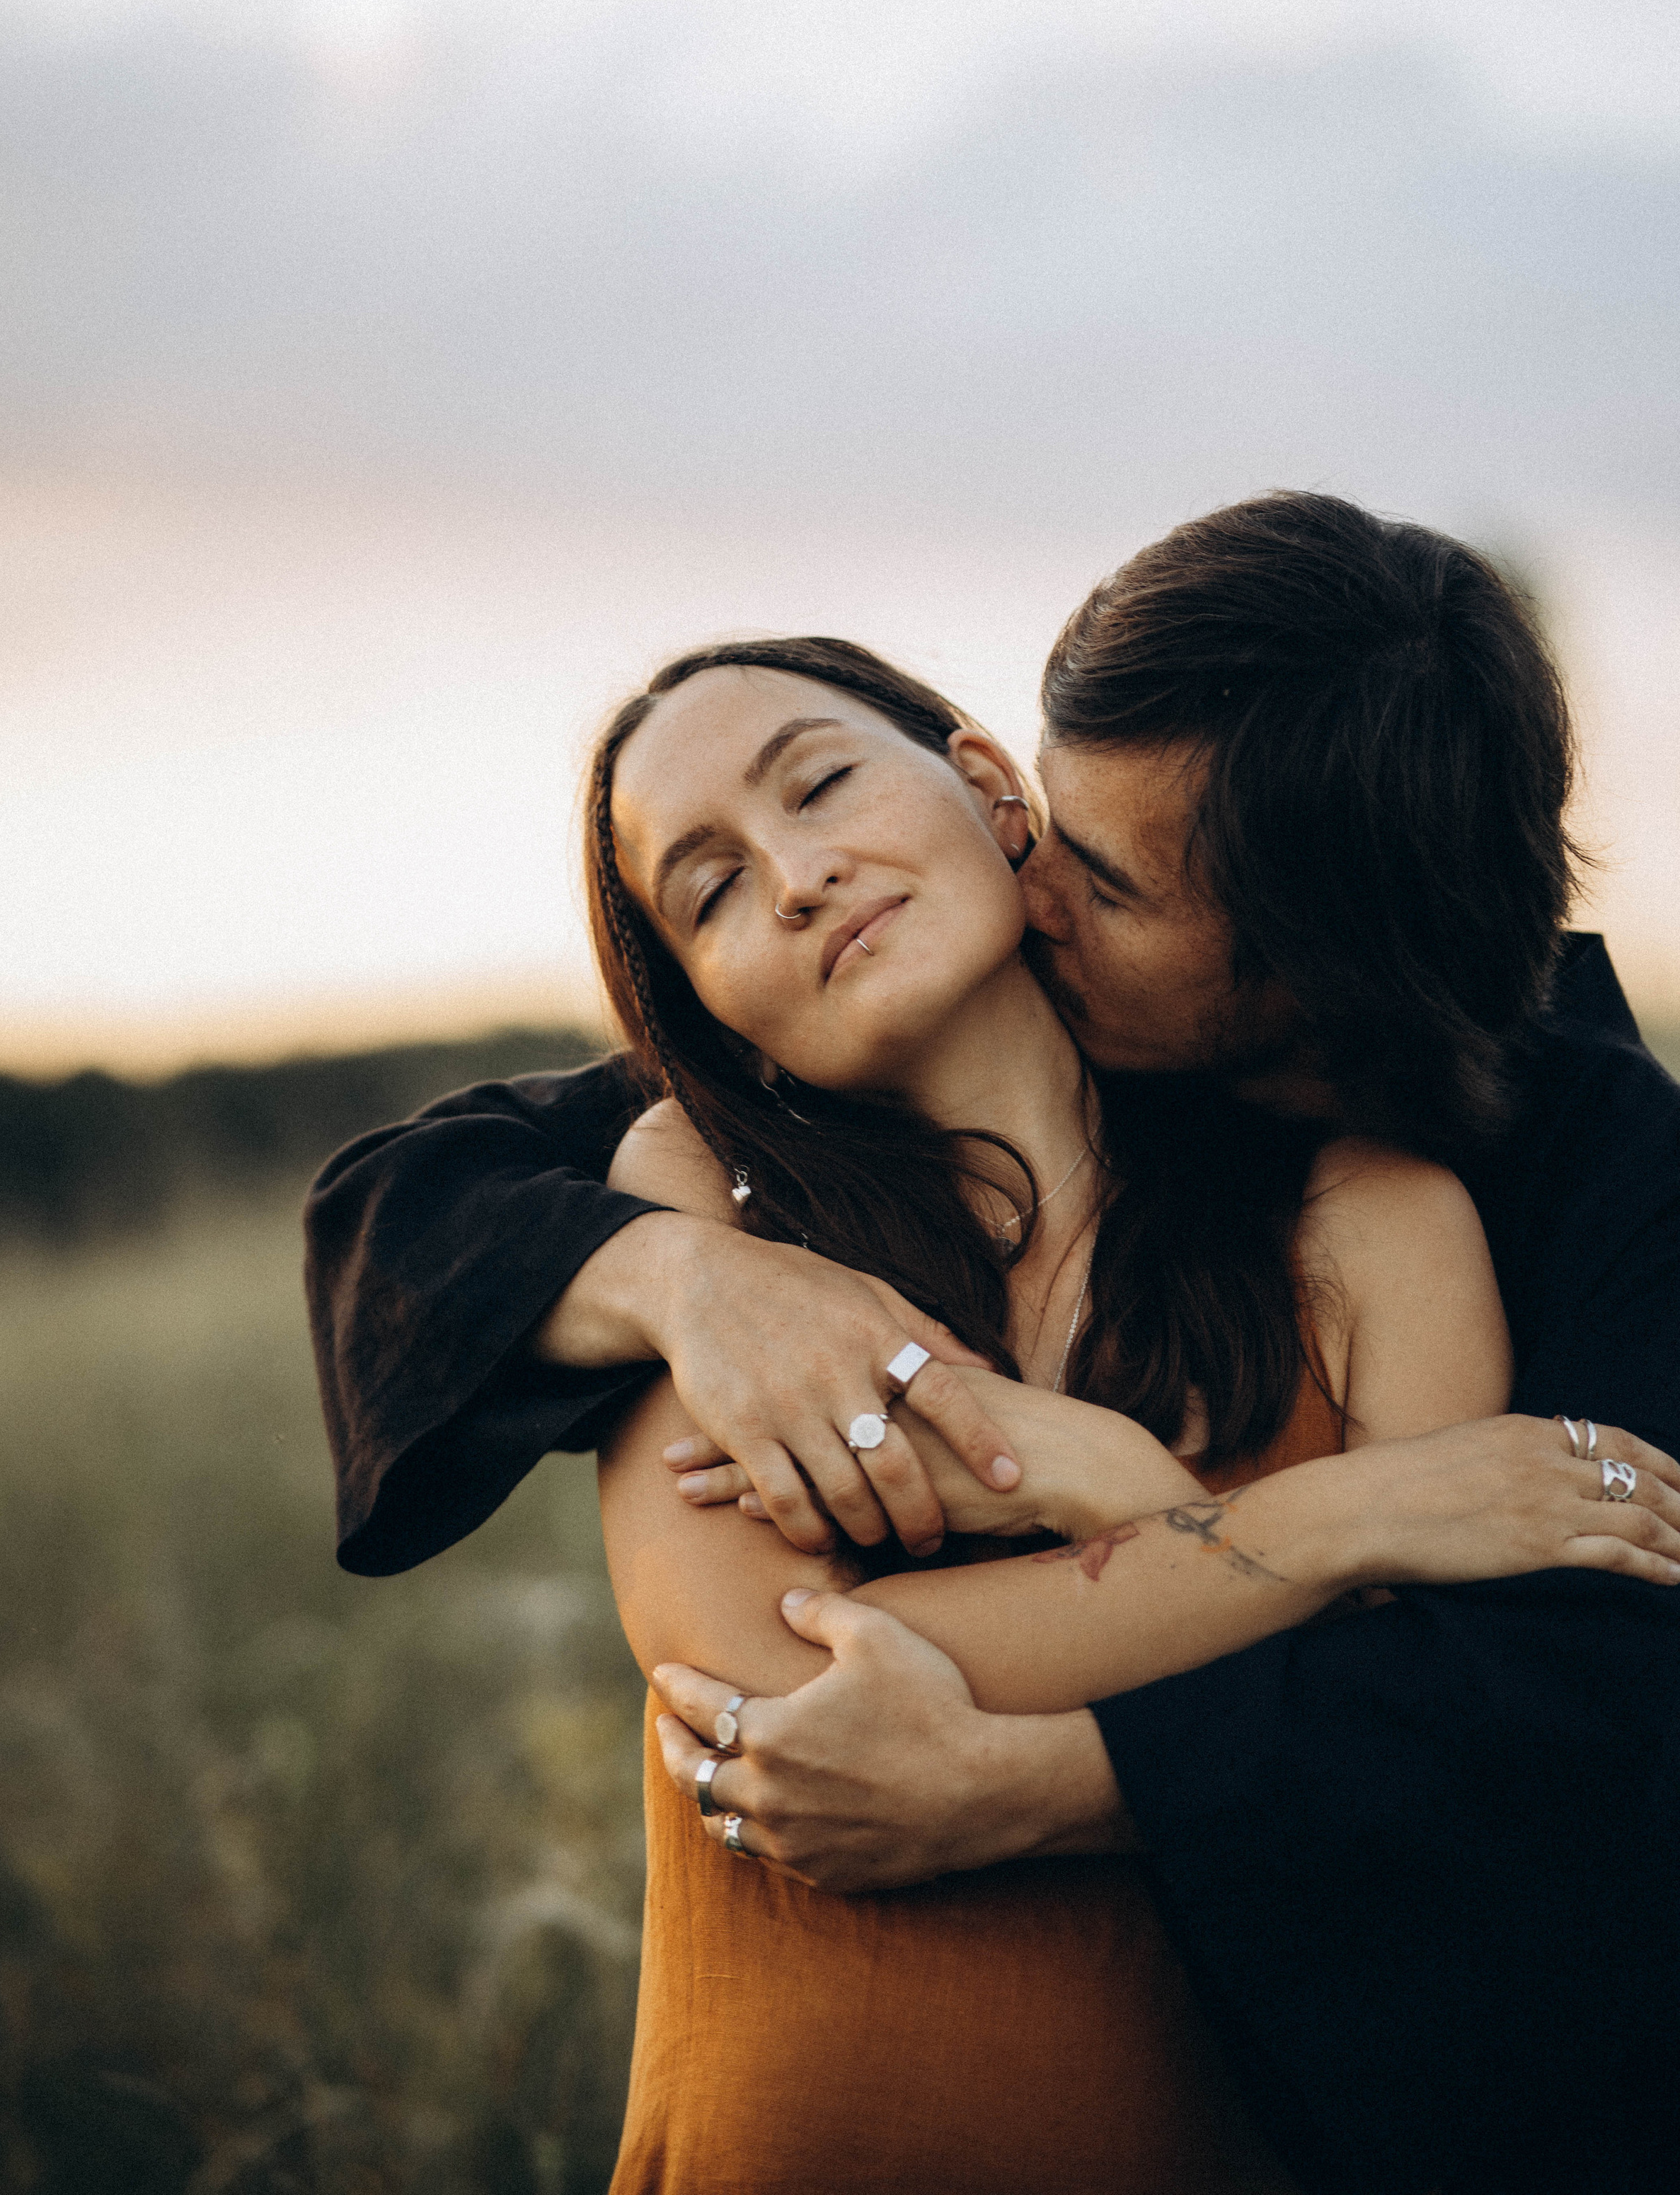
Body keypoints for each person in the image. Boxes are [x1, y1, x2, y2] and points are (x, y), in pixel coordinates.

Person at [305, 494, 1680, 2193]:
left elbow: (1460, 1719)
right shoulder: (694, 1199)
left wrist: (1032, 1751)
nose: (798, 876)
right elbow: (769, 1692)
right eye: (709, 888)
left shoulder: (1465, 1199)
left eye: (820, 783)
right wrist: (1280, 1514)